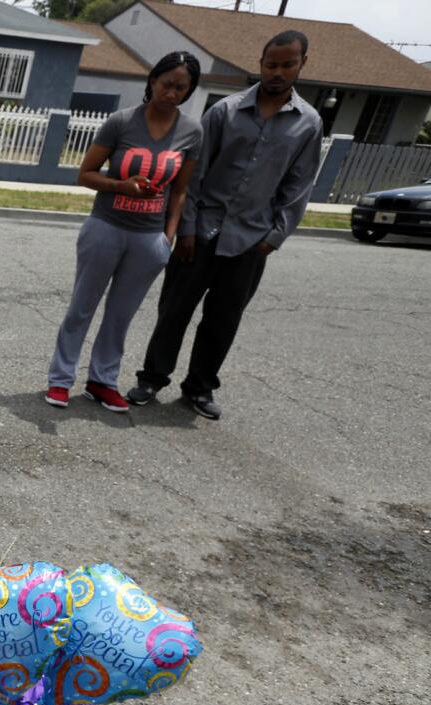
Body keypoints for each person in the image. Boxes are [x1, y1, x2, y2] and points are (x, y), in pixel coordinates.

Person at [128, 30, 323, 420]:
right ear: (261, 63)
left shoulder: (308, 124)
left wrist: (274, 236)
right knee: (174, 310)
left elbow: (298, 185)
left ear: (303, 64)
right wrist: (186, 228)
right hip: (199, 233)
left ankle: (199, 388)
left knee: (223, 319)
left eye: (287, 65)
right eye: (271, 64)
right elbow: (193, 174)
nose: (277, 72)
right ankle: (152, 377)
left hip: (251, 240)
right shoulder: (225, 112)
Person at [46, 51, 203, 413]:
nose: (172, 93)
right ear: (152, 81)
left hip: (149, 240)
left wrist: (169, 237)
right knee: (81, 309)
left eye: (181, 88)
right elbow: (85, 175)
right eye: (166, 84)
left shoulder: (192, 131)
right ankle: (60, 380)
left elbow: (180, 191)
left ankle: (101, 381)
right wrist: (122, 186)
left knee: (120, 315)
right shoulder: (121, 122)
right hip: (106, 228)